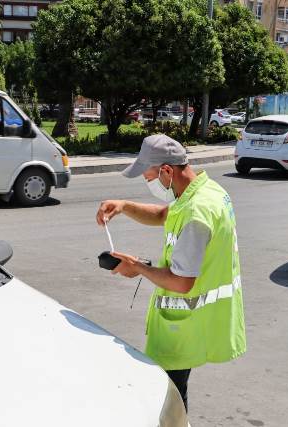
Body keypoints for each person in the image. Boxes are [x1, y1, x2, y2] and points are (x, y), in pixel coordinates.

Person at [95, 134, 246, 411]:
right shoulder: (205, 191)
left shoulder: (197, 213)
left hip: (185, 327)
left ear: (166, 171)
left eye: (147, 175)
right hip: (192, 321)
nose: (147, 181)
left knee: (170, 401)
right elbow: (164, 215)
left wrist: (138, 267)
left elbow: (181, 282)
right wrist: (124, 206)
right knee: (173, 394)